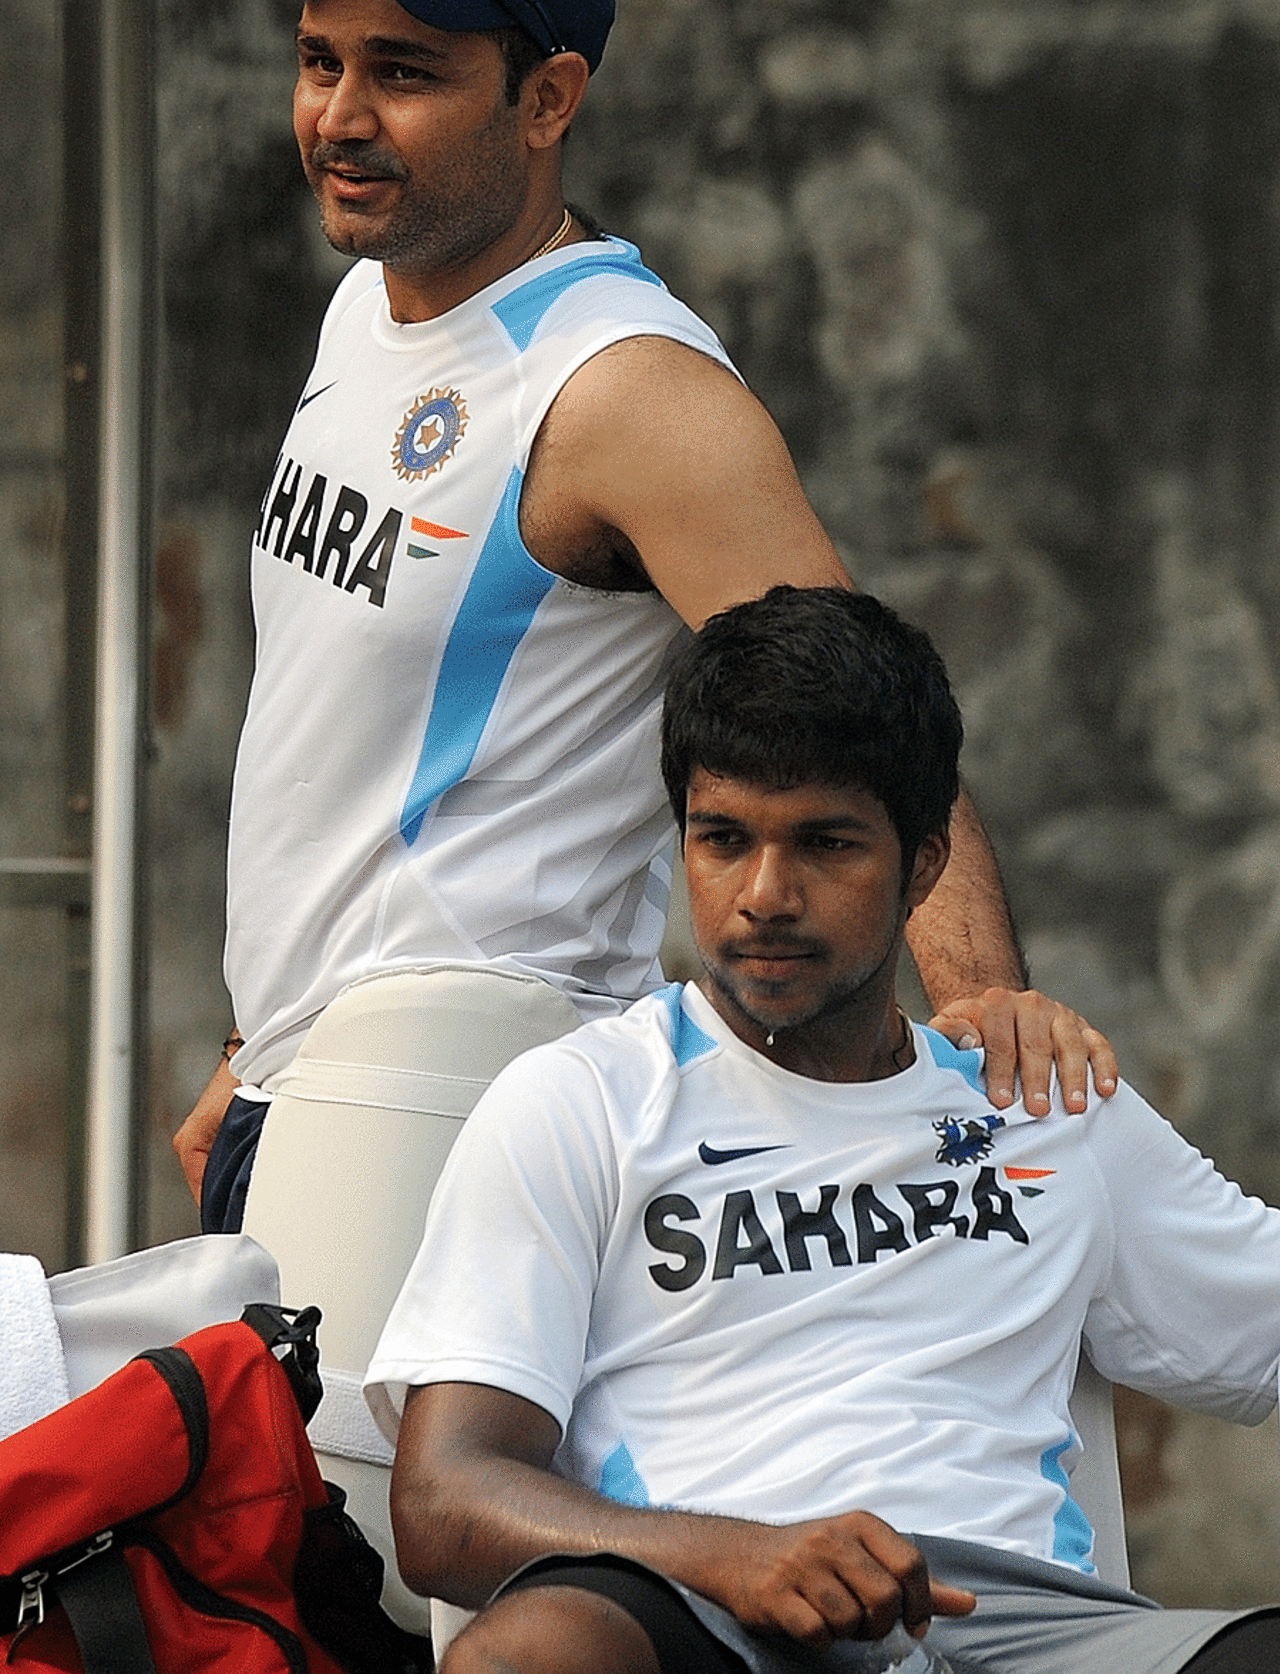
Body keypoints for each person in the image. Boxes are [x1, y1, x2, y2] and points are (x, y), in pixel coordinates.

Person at [173, 0, 1116, 1232]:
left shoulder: (623, 389)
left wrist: (978, 1021)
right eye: (320, 63)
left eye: (407, 72)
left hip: (461, 1111)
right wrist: (256, 1046)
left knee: (421, 1463)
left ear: (549, 99)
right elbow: (342, 748)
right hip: (311, 1089)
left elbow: (862, 715)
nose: (342, 117)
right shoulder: (371, 306)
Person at [367, 585, 1280, 1674]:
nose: (763, 894)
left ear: (923, 866)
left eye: (824, 844)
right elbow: (443, 1500)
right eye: (721, 839)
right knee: (538, 1655)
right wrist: (731, 1556)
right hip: (710, 1611)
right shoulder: (584, 1103)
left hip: (1024, 1627)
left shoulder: (1040, 1103)